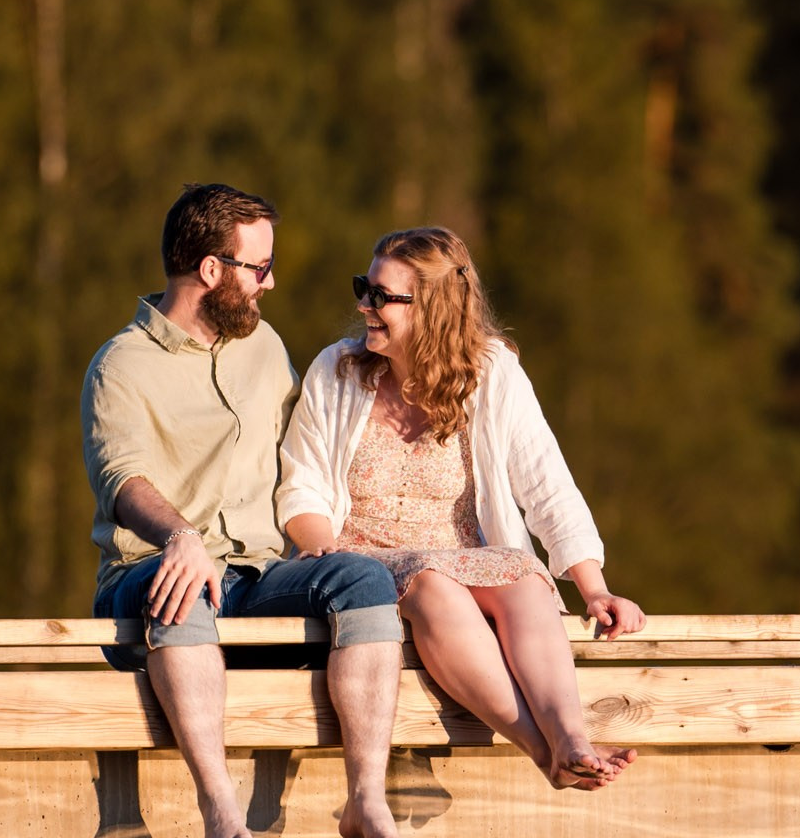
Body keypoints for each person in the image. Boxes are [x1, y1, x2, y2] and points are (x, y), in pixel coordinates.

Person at [81, 183, 415, 838]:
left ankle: (366, 798)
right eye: (258, 268)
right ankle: (217, 799)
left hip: (263, 576)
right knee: (182, 586)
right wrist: (180, 538)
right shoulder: (119, 366)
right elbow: (123, 479)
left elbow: (325, 432)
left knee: (362, 579)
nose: (270, 282)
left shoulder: (265, 347)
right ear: (211, 271)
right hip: (147, 578)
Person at [277, 226, 646, 789]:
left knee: (524, 574)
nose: (363, 306)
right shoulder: (338, 370)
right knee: (430, 583)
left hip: (464, 558)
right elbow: (300, 486)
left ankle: (571, 735)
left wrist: (594, 589)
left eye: (381, 296)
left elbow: (547, 484)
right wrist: (319, 547)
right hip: (361, 563)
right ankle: (540, 748)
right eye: (364, 287)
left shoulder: (492, 372)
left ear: (435, 310)